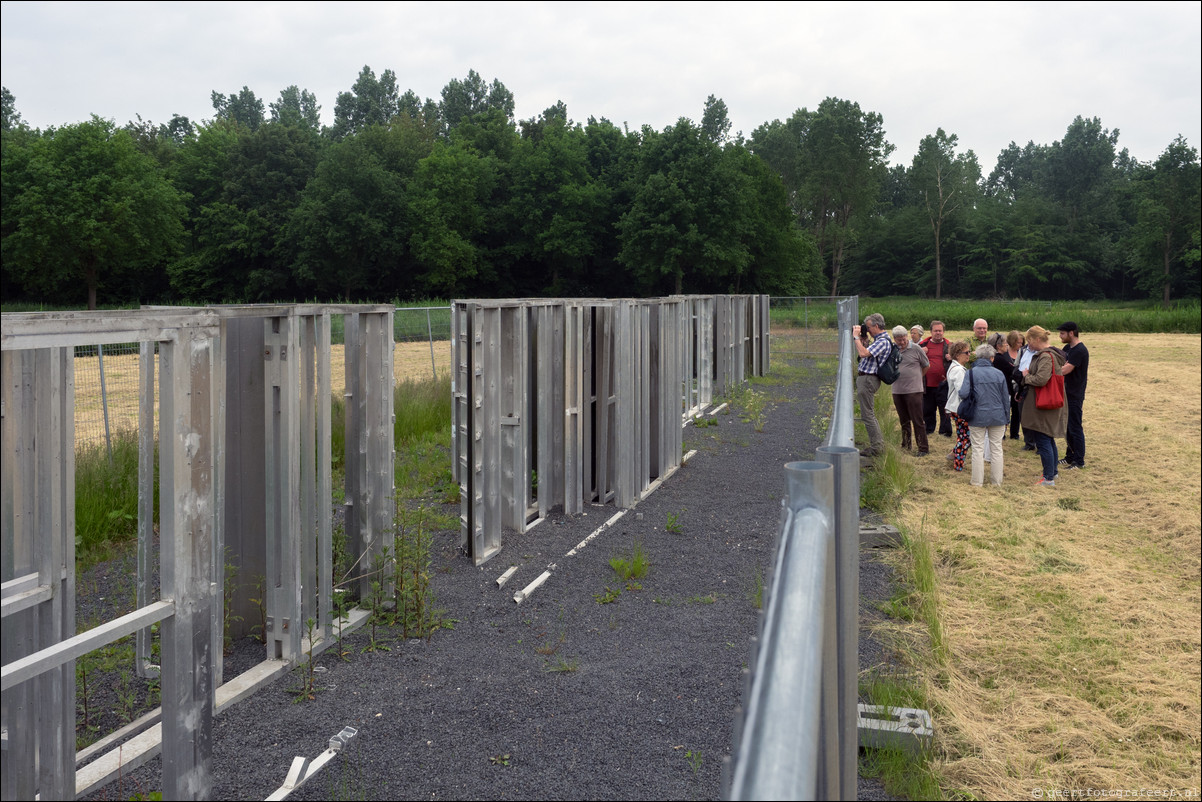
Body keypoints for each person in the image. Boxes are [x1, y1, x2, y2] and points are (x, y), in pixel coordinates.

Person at [1020, 325, 1068, 487]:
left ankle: (1048, 478)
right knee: (1048, 437)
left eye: (1029, 341)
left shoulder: (1046, 357)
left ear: (1038, 339)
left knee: (1043, 439)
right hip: (1048, 403)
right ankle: (1052, 472)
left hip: (1044, 404)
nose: (1028, 345)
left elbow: (1041, 379)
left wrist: (1026, 377)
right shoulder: (1050, 355)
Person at [960, 344, 1010, 487]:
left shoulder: (970, 373)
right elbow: (1005, 398)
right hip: (998, 415)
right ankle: (997, 481)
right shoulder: (999, 374)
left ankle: (977, 482)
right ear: (992, 358)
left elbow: (963, 393)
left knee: (977, 449)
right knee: (996, 449)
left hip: (977, 415)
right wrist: (1007, 417)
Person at [852, 313, 891, 457]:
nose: (866, 330)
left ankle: (877, 448)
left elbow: (863, 354)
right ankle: (877, 446)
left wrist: (856, 337)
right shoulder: (878, 340)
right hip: (867, 379)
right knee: (868, 414)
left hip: (868, 380)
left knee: (868, 415)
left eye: (868, 327)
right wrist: (864, 342)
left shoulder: (882, 341)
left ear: (876, 326)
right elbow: (867, 354)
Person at [890, 325, 930, 456]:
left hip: (914, 390)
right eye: (898, 340)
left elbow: (926, 365)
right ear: (894, 339)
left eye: (903, 339)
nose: (902, 342)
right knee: (904, 420)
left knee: (917, 420)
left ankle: (923, 448)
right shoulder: (892, 350)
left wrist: (917, 378)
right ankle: (906, 445)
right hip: (897, 390)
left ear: (907, 336)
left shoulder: (916, 349)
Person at [1057, 322, 1089, 470]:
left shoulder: (1080, 350)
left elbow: (1065, 369)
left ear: (1071, 333)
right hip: (1065, 392)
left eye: (1062, 333)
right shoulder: (1067, 348)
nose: (1060, 336)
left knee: (1075, 427)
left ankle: (1079, 461)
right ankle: (1069, 457)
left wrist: (1047, 371)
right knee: (1067, 426)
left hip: (1075, 394)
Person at [943, 341, 972, 472]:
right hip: (960, 408)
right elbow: (962, 391)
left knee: (964, 435)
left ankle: (953, 454)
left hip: (956, 407)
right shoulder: (959, 370)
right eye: (966, 352)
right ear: (957, 354)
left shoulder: (956, 367)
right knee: (966, 437)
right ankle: (958, 465)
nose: (969, 355)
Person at [920, 320, 952, 438]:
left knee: (944, 409)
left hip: (944, 384)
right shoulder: (923, 345)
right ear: (931, 332)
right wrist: (920, 352)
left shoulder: (949, 346)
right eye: (936, 331)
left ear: (943, 332)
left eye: (940, 331)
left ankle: (944, 431)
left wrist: (951, 358)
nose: (938, 333)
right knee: (928, 408)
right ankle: (929, 429)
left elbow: (959, 361)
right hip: (927, 383)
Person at [1005, 330, 1027, 442]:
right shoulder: (1004, 353)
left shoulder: (1023, 353)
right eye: (1018, 342)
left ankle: (1015, 433)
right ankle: (1002, 432)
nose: (1021, 345)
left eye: (1022, 342)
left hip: (1018, 385)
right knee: (1006, 409)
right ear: (1012, 342)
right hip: (1006, 385)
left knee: (1017, 411)